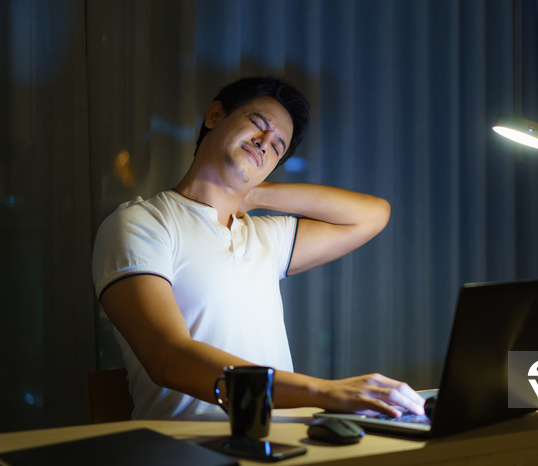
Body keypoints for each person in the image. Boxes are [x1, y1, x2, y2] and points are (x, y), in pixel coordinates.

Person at [92, 76, 425, 420]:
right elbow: (168, 358)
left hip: (285, 444)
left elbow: (373, 215)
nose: (265, 142)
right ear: (215, 115)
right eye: (257, 124)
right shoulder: (141, 222)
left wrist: (256, 193)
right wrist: (325, 391)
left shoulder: (266, 236)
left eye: (278, 146)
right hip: (191, 446)